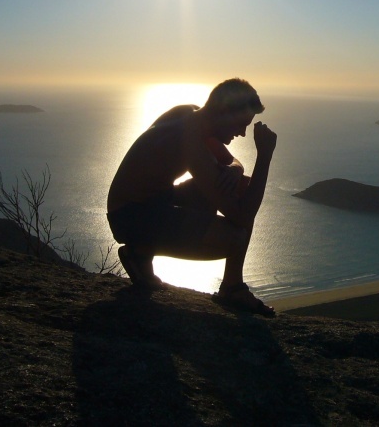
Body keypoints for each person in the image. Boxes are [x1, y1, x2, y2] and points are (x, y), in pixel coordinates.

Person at [106, 78, 277, 316]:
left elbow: (230, 161)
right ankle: (141, 252)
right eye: (240, 124)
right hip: (131, 216)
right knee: (236, 235)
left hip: (143, 204)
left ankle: (229, 285)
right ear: (225, 112)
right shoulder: (190, 141)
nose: (243, 133)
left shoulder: (189, 114)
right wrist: (265, 157)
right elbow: (243, 216)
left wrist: (235, 169)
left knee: (239, 185)